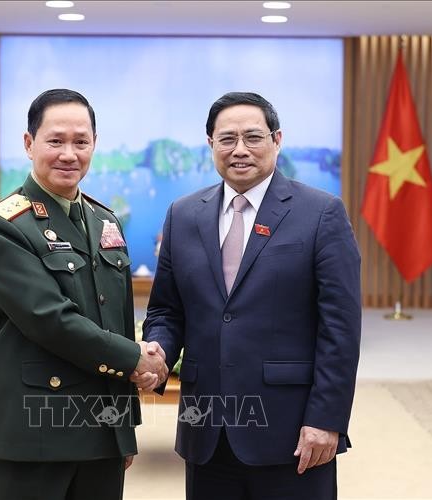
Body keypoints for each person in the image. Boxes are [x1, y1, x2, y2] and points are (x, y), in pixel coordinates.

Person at [142, 92, 361, 499]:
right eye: (227, 139)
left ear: (277, 140)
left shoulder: (321, 213)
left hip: (293, 433)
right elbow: (167, 311)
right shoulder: (183, 215)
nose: (239, 150)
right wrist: (158, 353)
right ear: (210, 145)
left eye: (253, 137)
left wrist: (327, 419)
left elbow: (341, 329)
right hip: (206, 431)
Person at [0, 88, 167, 500]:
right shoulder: (3, 226)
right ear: (29, 144)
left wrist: (123, 433)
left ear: (94, 145)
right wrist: (136, 359)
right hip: (33, 437)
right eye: (55, 141)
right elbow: (49, 319)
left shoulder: (105, 222)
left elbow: (113, 321)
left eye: (81, 142)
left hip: (101, 434)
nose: (69, 153)